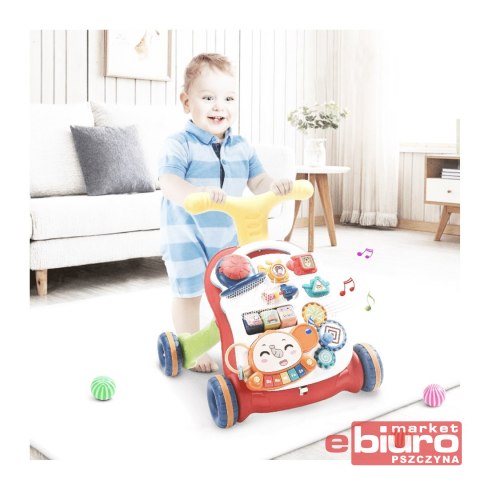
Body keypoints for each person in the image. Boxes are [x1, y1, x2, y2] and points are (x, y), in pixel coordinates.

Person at [158, 53, 293, 372]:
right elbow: (168, 182)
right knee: (190, 291)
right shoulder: (179, 143)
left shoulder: (241, 146)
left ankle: (240, 338)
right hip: (186, 232)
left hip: (228, 232)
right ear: (186, 102)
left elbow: (258, 181)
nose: (219, 106)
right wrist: (196, 194)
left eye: (228, 98)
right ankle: (191, 345)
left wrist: (275, 187)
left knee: (237, 289)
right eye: (208, 98)